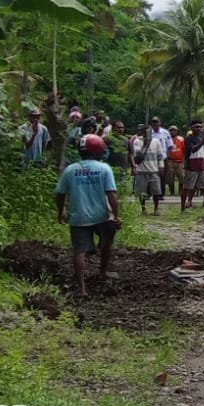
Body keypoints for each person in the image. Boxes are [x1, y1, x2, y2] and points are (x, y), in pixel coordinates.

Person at [54, 134, 121, 296]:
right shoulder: (104, 168)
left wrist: (61, 211)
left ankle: (82, 288)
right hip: (102, 216)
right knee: (106, 243)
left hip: (78, 217)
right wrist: (117, 215)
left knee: (79, 251)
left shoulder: (70, 170)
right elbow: (111, 194)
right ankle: (103, 272)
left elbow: (60, 193)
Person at [130, 123, 167, 215]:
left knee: (156, 191)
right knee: (142, 192)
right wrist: (145, 145)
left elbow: (160, 155)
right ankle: (143, 208)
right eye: (145, 131)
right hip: (142, 170)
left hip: (153, 169)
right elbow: (138, 157)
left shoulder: (156, 141)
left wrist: (161, 166)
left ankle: (156, 208)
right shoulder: (137, 141)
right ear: (142, 132)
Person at [181, 121, 204, 213]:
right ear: (191, 128)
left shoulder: (200, 137)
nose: (199, 129)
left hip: (201, 165)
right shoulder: (189, 138)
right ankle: (183, 208)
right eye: (196, 127)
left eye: (200, 127)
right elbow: (193, 150)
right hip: (192, 166)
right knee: (187, 187)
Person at [165, 128, 185, 199]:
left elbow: (184, 149)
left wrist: (183, 160)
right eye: (171, 130)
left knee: (182, 177)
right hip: (170, 161)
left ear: (177, 131)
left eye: (174, 130)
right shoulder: (166, 139)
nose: (172, 132)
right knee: (170, 178)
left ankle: (180, 192)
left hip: (179, 161)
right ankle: (172, 192)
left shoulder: (181, 139)